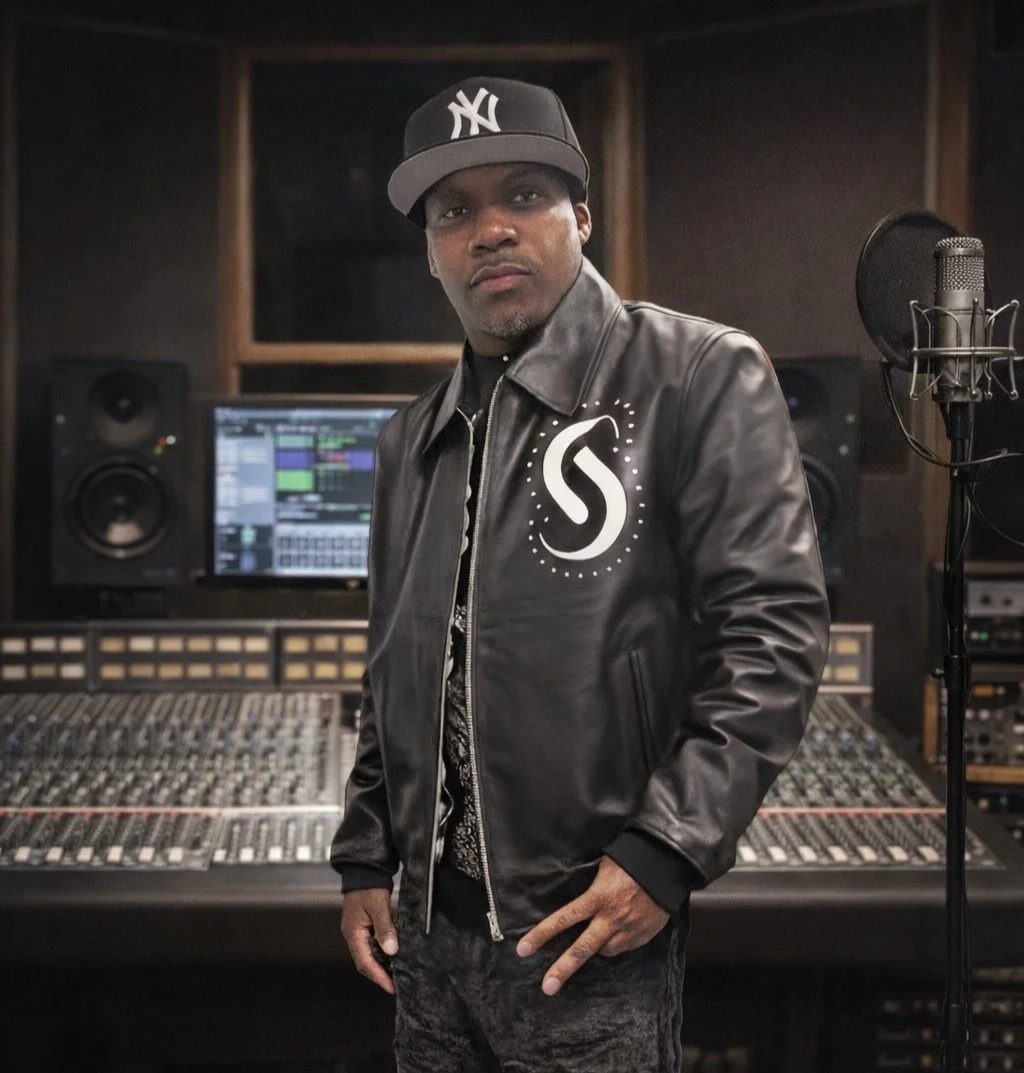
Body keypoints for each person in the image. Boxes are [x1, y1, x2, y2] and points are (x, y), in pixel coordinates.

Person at [331, 75, 830, 1072]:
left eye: (524, 193)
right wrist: (364, 853)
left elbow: (772, 637)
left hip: (588, 930)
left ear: (582, 215)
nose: (490, 231)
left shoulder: (697, 372)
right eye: (453, 211)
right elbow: (399, 667)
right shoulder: (408, 438)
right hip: (425, 941)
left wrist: (665, 850)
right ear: (430, 249)